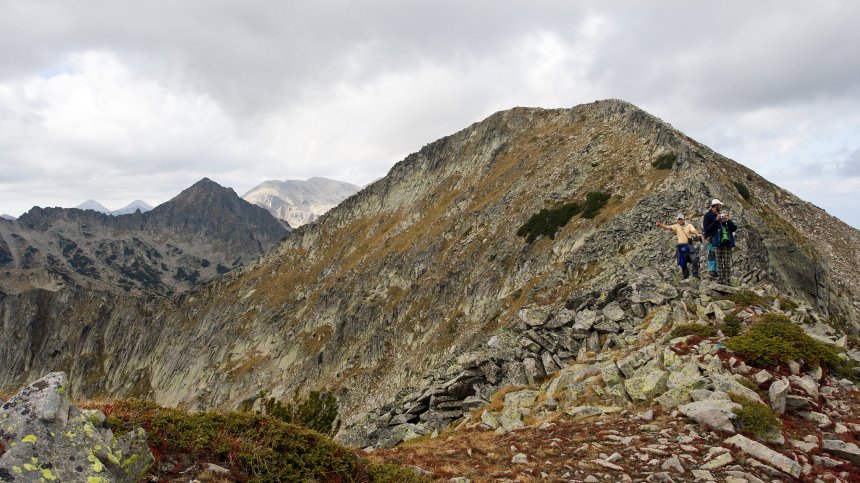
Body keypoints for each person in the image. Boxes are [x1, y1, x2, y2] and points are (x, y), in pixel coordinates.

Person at [656, 214, 702, 279]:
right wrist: (660, 225)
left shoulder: (689, 225)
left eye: (681, 219)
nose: (680, 221)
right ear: (677, 221)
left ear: (684, 219)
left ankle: (695, 275)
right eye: (679, 219)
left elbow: (693, 231)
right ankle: (685, 276)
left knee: (694, 259)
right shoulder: (676, 226)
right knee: (682, 263)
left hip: (689, 246)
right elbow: (667, 227)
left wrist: (698, 234)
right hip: (681, 247)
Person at [713, 211, 738, 285]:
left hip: (727, 245)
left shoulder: (729, 223)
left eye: (725, 215)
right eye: (722, 216)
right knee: (719, 263)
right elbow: (711, 228)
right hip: (718, 245)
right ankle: (721, 279)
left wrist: (728, 220)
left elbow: (734, 228)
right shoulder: (717, 222)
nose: (723, 217)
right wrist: (716, 220)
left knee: (727, 263)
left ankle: (727, 279)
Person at [702, 199, 723, 278]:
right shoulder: (707, 215)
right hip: (711, 237)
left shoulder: (719, 214)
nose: (720, 206)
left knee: (719, 254)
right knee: (711, 254)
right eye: (719, 205)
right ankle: (712, 270)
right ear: (716, 205)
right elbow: (706, 228)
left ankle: (718, 270)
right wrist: (715, 220)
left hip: (718, 237)